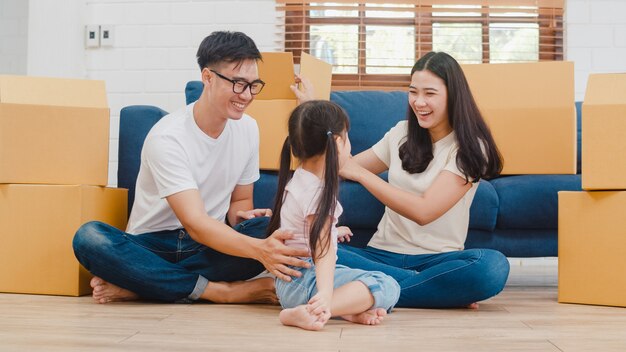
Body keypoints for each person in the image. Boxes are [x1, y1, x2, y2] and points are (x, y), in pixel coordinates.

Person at [72, 31, 314, 304]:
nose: (246, 96)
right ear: (208, 77)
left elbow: (240, 201)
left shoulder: (248, 128)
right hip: (154, 246)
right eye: (238, 84)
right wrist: (260, 251)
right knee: (89, 238)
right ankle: (221, 292)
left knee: (271, 229)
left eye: (253, 85)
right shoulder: (168, 137)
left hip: (208, 245)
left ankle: (145, 284)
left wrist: (243, 218)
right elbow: (195, 223)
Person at [336, 51, 510, 309]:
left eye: (429, 93)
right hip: (380, 255)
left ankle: (376, 287)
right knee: (309, 247)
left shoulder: (471, 148)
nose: (418, 102)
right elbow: (342, 166)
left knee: (491, 267)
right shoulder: (401, 133)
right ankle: (428, 288)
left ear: (453, 95)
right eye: (413, 92)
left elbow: (424, 211)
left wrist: (362, 175)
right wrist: (313, 112)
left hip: (438, 261)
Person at [269, 100, 400, 331]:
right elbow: (323, 250)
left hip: (291, 283)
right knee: (386, 284)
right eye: (347, 138)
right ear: (338, 143)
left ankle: (343, 311)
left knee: (362, 282)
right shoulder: (318, 192)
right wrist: (326, 293)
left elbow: (308, 228)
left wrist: (333, 230)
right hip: (306, 279)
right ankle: (318, 309)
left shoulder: (301, 177)